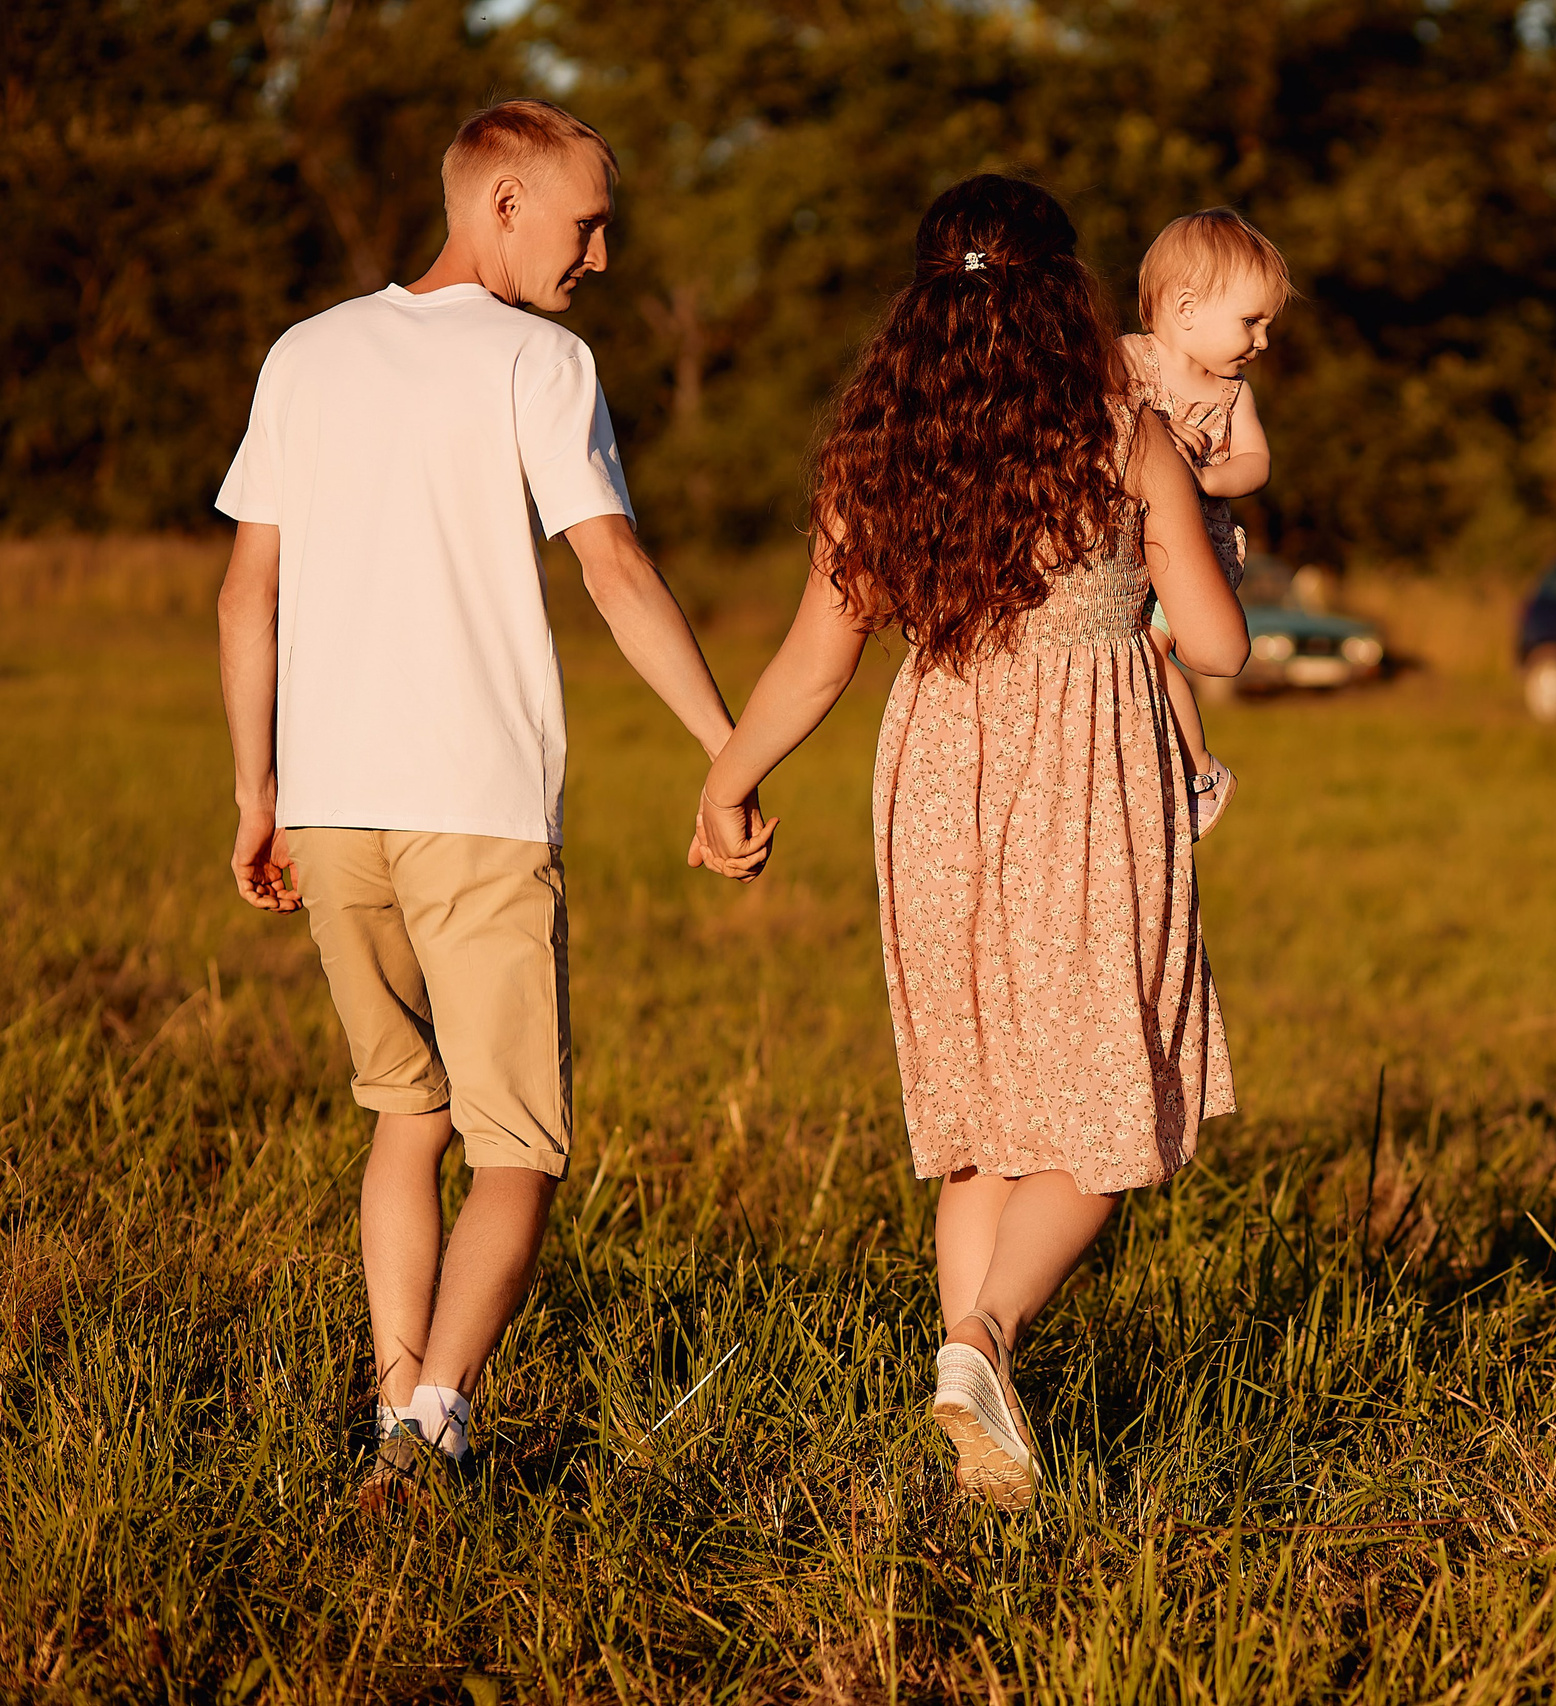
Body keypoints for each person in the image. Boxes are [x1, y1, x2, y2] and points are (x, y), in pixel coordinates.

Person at [214, 98, 758, 1506]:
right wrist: (727, 745)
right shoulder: (540, 360)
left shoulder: (306, 351)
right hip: (477, 807)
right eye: (585, 222)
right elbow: (616, 570)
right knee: (518, 1142)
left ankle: (395, 1402)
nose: (599, 255)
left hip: (331, 808)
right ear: (501, 201)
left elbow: (246, 590)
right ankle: (431, 1427)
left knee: (406, 1114)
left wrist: (255, 790)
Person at [692, 175, 1246, 1508]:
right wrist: (1208, 527)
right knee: (1115, 1103)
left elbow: (817, 659)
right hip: (1093, 777)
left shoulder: (877, 443)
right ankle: (980, 1338)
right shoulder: (1128, 432)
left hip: (935, 776)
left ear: (924, 298)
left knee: (985, 1121)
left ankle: (980, 1430)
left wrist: (729, 777)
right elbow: (1219, 644)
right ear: (1070, 293)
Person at [1117, 209, 1292, 839]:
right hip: (1128, 547)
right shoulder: (1125, 365)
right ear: (1187, 308)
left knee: (1152, 652)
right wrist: (1158, 438)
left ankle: (1199, 774)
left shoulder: (1232, 395)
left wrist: (1206, 479)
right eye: (1251, 321)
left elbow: (1256, 464)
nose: (1263, 340)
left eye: (1266, 324)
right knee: (1121, 653)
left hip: (1197, 551)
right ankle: (1154, 769)